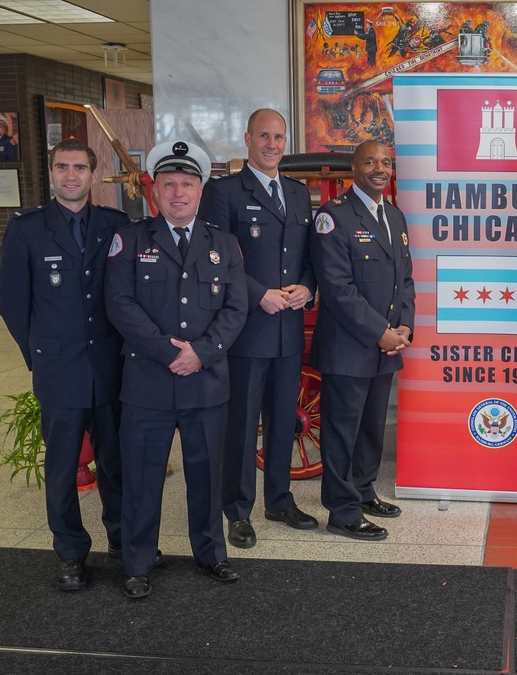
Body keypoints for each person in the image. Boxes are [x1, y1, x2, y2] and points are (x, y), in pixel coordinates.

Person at [105, 140, 248, 599]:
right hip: (148, 381)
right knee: (143, 475)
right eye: (169, 184)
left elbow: (236, 307)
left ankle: (211, 553)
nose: (178, 192)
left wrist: (202, 353)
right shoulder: (130, 239)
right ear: (155, 190)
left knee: (206, 474)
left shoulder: (223, 244)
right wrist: (169, 353)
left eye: (187, 183)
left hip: (206, 383)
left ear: (200, 190)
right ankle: (139, 561)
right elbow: (120, 305)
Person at [0, 139, 129, 591]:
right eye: (62, 167)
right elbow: (13, 305)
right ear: (51, 173)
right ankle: (71, 552)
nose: (70, 175)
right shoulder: (27, 229)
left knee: (116, 461)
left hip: (109, 366)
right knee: (62, 467)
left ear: (93, 175)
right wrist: (38, 355)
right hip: (59, 370)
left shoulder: (114, 225)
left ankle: (121, 537)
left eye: (79, 167)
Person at [199, 109, 318, 550]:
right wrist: (256, 293)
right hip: (246, 329)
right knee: (243, 423)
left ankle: (280, 500)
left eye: (279, 136)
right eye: (264, 136)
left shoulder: (297, 193)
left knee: (284, 419)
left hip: (288, 328)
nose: (272, 144)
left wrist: (308, 286)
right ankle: (237, 509)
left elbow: (310, 254)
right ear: (247, 138)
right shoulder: (224, 192)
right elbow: (213, 259)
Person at [309, 140, 414, 542]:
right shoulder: (333, 217)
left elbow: (405, 280)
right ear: (353, 167)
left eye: (386, 163)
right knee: (342, 430)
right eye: (370, 161)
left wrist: (404, 328)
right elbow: (336, 289)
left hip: (387, 345)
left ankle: (364, 490)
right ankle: (342, 509)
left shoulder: (395, 216)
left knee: (371, 426)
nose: (379, 169)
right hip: (350, 347)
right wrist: (381, 333)